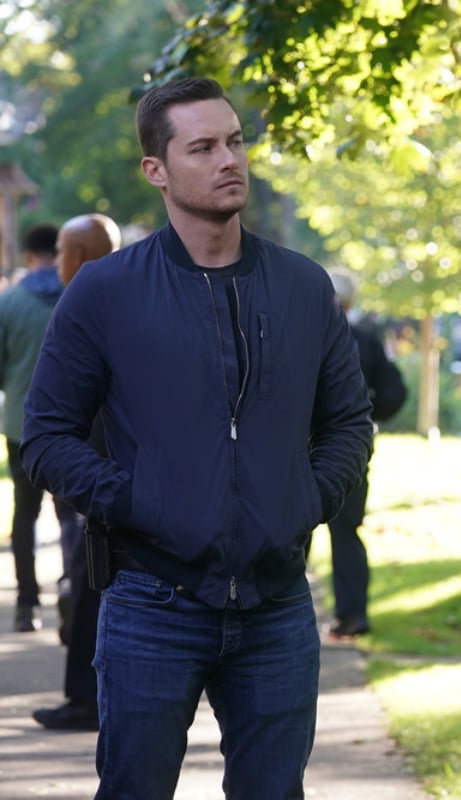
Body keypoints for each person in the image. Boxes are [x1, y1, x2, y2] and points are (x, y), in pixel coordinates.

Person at [21, 77, 374, 797]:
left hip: (278, 604)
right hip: (151, 599)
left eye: (236, 141)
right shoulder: (106, 291)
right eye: (204, 146)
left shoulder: (304, 288)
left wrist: (304, 497)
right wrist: (138, 500)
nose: (229, 160)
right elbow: (47, 435)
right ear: (157, 169)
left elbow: (348, 422)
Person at [30, 213, 122, 732]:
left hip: (106, 479)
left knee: (92, 590)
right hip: (97, 474)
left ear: (81, 256)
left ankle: (87, 700)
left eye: (65, 250)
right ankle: (88, 697)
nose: (57, 261)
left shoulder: (98, 307)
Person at [1, 222, 86, 634]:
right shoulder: (77, 296)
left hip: (21, 425)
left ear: (28, 254)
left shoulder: (10, 303)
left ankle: (27, 604)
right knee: (72, 513)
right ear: (57, 250)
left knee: (25, 515)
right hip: (77, 426)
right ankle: (73, 587)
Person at [322, 267, 407, 639]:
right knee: (347, 533)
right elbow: (394, 391)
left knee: (292, 532)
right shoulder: (366, 341)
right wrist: (371, 415)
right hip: (351, 449)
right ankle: (352, 614)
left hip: (303, 444)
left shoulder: (303, 336)